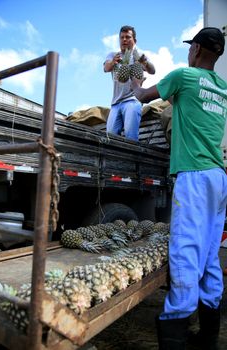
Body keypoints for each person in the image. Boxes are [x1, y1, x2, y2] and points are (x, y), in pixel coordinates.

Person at [131, 27, 227, 349]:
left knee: (186, 251)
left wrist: (134, 77)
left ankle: (176, 333)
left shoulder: (184, 77)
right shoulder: (223, 88)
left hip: (195, 177)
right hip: (218, 177)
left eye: (190, 48)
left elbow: (144, 97)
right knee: (210, 253)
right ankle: (210, 337)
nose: (188, 52)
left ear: (197, 50)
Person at [103, 25, 155, 141]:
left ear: (134, 40)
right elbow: (106, 68)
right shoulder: (113, 55)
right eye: (122, 37)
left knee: (131, 137)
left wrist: (145, 63)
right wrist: (113, 62)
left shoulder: (138, 57)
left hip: (132, 101)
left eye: (128, 37)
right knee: (110, 137)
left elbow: (152, 71)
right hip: (116, 103)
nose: (124, 40)